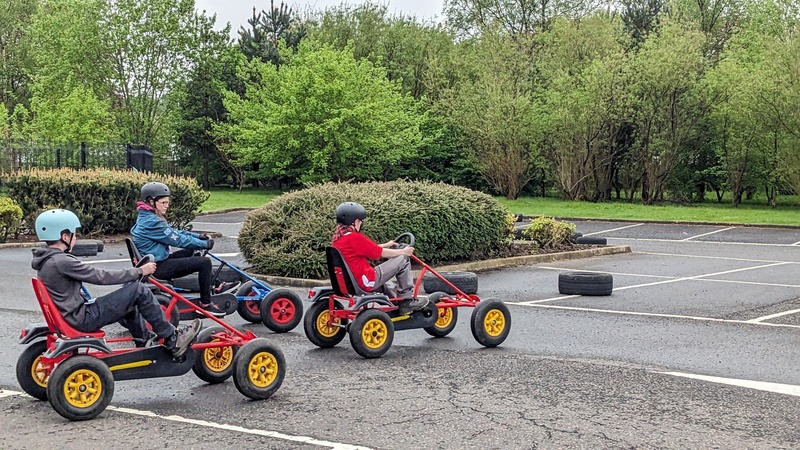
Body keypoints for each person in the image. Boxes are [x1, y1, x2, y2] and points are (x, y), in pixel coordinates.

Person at [31, 208, 201, 357]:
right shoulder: (62, 262)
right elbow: (101, 276)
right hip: (81, 318)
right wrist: (139, 271)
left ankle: (144, 340)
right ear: (64, 236)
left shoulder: (47, 260)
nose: (75, 238)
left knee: (128, 296)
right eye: (74, 234)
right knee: (138, 290)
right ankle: (172, 338)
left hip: (72, 315)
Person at [130, 182, 239, 316]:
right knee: (204, 262)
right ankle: (206, 304)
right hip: (158, 268)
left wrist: (198, 236)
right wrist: (204, 244)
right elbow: (178, 240)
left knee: (193, 252)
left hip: (157, 260)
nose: (167, 206)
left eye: (167, 202)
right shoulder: (152, 222)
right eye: (163, 202)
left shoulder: (148, 217)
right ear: (151, 202)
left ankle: (217, 285)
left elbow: (174, 232)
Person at [331, 202, 428, 315]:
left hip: (352, 282)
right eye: (361, 221)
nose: (361, 223)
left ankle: (397, 303)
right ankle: (406, 301)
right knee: (403, 259)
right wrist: (403, 252)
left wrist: (387, 244)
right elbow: (382, 253)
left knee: (387, 284)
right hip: (365, 280)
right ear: (356, 221)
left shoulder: (339, 240)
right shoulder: (354, 238)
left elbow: (370, 248)